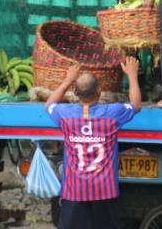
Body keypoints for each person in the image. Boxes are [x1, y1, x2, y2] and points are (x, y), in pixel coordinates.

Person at [45, 57, 141, 229]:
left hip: (74, 191)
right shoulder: (112, 113)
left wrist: (67, 80)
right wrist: (132, 76)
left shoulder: (65, 114)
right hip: (105, 191)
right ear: (99, 91)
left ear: (75, 93)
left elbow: (49, 104)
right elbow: (135, 105)